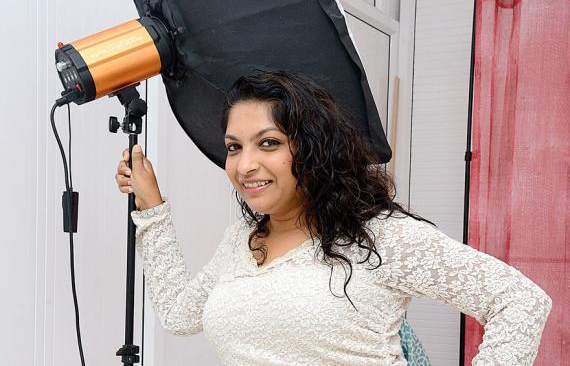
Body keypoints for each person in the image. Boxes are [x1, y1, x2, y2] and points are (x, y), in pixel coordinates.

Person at [115, 71, 551, 365]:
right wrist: (152, 209)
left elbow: (521, 302)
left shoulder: (379, 238)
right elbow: (177, 316)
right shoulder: (240, 241)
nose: (244, 165)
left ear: (312, 147)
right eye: (234, 146)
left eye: (268, 143)